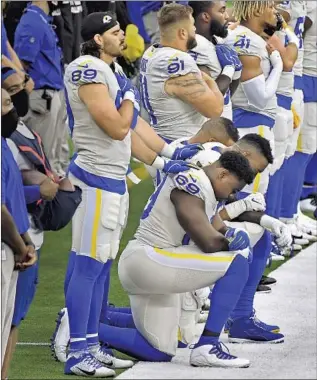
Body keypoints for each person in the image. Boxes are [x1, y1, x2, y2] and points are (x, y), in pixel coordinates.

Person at [62, 10, 199, 377]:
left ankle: (92, 342)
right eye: (115, 31)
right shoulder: (86, 69)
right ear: (97, 39)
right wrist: (130, 101)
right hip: (93, 178)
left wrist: (167, 155)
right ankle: (76, 350)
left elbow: (135, 131)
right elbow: (117, 126)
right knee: (88, 265)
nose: (123, 36)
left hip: (112, 179)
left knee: (102, 265)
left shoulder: (115, 71)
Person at [97, 150, 255, 368]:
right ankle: (208, 345)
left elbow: (216, 225)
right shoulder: (193, 183)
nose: (231, 196)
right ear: (222, 174)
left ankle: (81, 327)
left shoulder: (205, 184)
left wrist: (231, 233)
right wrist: (231, 242)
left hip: (152, 263)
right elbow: (207, 241)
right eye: (234, 189)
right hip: (149, 259)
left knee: (159, 350)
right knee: (237, 262)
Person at [140, 3, 224, 143]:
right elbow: (214, 110)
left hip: (163, 138)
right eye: (192, 25)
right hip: (181, 145)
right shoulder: (178, 61)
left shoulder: (151, 52)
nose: (195, 29)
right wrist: (210, 78)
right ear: (182, 33)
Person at [1, 88, 37, 374]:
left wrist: (26, 240)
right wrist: (20, 245)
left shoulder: (4, 145)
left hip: (12, 247)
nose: (10, 110)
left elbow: (11, 200)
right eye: (3, 104)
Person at [14, 0, 69, 176]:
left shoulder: (42, 19)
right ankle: (43, 201)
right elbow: (21, 64)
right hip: (41, 98)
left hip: (53, 94)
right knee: (43, 159)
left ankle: (62, 200)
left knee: (58, 157)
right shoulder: (32, 20)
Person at [189, 1, 242, 120]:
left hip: (223, 121)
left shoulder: (216, 39)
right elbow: (211, 96)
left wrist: (236, 73)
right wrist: (229, 69)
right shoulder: (197, 45)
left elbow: (227, 93)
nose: (227, 16)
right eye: (222, 11)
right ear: (206, 16)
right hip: (208, 127)